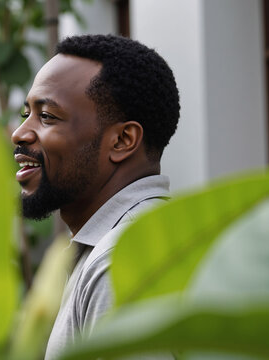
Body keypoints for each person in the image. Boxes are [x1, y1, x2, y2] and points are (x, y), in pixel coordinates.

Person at [11, 34, 180, 359]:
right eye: (26, 113)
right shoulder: (134, 239)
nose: (20, 133)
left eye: (47, 116)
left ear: (122, 140)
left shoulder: (119, 262)